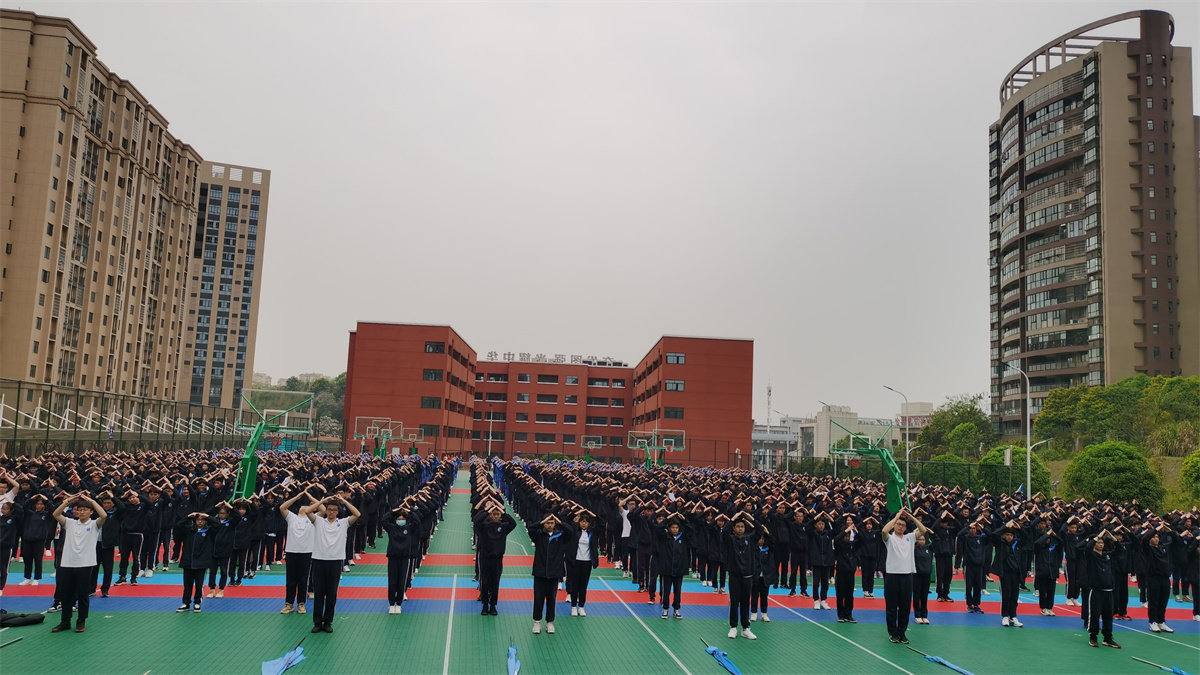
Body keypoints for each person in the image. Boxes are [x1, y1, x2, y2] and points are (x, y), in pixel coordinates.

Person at [51, 492, 106, 633]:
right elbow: (56, 514)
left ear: (91, 512)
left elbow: (104, 515)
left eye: (85, 509)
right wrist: (68, 501)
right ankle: (65, 621)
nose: (81, 512)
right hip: (67, 563)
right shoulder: (70, 523)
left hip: (85, 564)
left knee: (82, 594)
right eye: (79, 509)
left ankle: (81, 621)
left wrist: (91, 500)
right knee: (65, 594)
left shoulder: (94, 524)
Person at [307, 495, 360, 633]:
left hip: (335, 561)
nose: (331, 512)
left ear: (338, 511)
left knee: (332, 594)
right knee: (318, 594)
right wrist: (322, 501)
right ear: (326, 510)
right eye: (329, 509)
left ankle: (328, 621)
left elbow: (357, 514)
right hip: (319, 560)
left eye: (334, 510)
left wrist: (345, 502)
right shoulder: (319, 521)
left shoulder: (343, 523)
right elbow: (308, 511)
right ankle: (317, 622)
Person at [882, 508, 927, 644]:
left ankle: (902, 632)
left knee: (905, 607)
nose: (900, 527)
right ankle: (892, 633)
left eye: (903, 525)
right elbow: (884, 531)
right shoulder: (889, 539)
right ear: (894, 525)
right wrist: (896, 517)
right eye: (898, 524)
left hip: (907, 576)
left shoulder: (910, 537)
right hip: (892, 576)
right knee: (891, 607)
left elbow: (923, 530)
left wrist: (911, 517)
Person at [528, 512, 570, 634]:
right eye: (547, 523)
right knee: (538, 599)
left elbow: (571, 531)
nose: (550, 525)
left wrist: (560, 522)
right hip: (540, 572)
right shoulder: (539, 535)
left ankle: (550, 622)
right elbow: (531, 528)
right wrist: (541, 522)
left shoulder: (560, 536)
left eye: (552, 523)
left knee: (552, 599)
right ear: (544, 523)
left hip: (554, 573)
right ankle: (537, 622)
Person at [382, 500, 427, 614]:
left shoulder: (409, 528)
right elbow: (384, 520)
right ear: (396, 520)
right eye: (399, 519)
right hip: (393, 558)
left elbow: (417, 521)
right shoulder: (391, 528)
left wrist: (410, 511)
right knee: (392, 582)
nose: (400, 521)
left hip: (404, 558)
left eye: (403, 519)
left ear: (406, 520)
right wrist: (393, 511)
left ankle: (399, 603)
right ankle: (392, 604)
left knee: (401, 582)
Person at [722, 512, 760, 640]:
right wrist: (733, 518)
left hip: (748, 576)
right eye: (737, 526)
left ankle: (745, 628)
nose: (740, 529)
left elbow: (760, 530)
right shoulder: (730, 539)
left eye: (742, 527)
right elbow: (724, 532)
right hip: (734, 576)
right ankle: (733, 627)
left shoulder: (750, 539)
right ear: (734, 528)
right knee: (734, 602)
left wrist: (751, 519)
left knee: (745, 602)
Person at [1079, 530, 1121, 648]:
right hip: (1097, 590)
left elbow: (1120, 550)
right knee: (1094, 614)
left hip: (1109, 590)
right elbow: (1088, 547)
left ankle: (1108, 637)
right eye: (1099, 543)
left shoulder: (1107, 555)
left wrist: (1113, 538)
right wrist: (1098, 536)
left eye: (1102, 543)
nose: (1101, 544)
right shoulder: (1091, 555)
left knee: (1108, 615)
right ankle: (1093, 636)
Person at [280, 489, 316, 615]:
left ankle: (301, 604)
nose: (304, 507)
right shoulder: (292, 518)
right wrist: (296, 497)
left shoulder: (313, 519)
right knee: (290, 579)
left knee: (303, 579)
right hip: (291, 552)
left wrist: (311, 497)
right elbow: (282, 507)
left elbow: (322, 509)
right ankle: (288, 604)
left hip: (306, 552)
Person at [176, 512, 215, 613]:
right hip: (188, 562)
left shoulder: (209, 531)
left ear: (206, 521)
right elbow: (178, 525)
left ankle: (197, 602)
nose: (200, 521)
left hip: (201, 562)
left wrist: (208, 516)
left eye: (202, 519)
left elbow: (218, 525)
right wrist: (188, 516)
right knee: (187, 585)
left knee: (199, 584)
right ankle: (186, 603)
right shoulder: (189, 530)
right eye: (198, 520)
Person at [990, 520, 1026, 628]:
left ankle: (1013, 616)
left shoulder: (1017, 544)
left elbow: (1027, 538)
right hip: (1005, 573)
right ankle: (1005, 616)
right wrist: (1005, 526)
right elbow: (994, 534)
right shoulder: (1000, 543)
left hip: (1016, 573)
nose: (1009, 537)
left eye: (1011, 535)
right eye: (1007, 535)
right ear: (1004, 535)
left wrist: (1018, 528)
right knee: (1006, 595)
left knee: (1014, 596)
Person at [654, 512, 689, 620]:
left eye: (676, 527)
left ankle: (676, 609)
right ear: (669, 528)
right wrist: (667, 519)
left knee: (678, 590)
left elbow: (691, 530)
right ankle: (665, 609)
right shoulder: (665, 537)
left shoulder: (683, 538)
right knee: (666, 590)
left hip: (679, 568)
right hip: (667, 568)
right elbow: (658, 528)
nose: (674, 529)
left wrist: (684, 520)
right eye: (672, 527)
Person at [565, 511, 600, 617]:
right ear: (579, 522)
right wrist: (575, 512)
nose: (584, 524)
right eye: (582, 521)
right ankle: (573, 607)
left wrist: (592, 514)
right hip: (576, 561)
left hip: (587, 562)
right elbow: (566, 522)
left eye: (586, 522)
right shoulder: (574, 531)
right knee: (574, 586)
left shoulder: (592, 533)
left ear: (589, 523)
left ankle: (581, 607)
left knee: (583, 586)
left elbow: (601, 523)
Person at [1142, 527, 1174, 633]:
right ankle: (1153, 622)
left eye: (1157, 537)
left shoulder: (1163, 548)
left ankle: (1161, 621)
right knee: (1154, 600)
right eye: (1154, 537)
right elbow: (1144, 540)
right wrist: (1156, 529)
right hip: (1153, 578)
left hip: (1165, 578)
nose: (1156, 539)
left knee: (1163, 600)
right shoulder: (1148, 549)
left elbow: (1176, 540)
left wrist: (1169, 530)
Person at [833, 515, 861, 624]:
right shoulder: (839, 545)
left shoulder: (853, 545)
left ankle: (849, 614)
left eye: (849, 536)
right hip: (840, 572)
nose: (847, 537)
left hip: (850, 573)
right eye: (846, 535)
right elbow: (836, 539)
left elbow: (862, 540)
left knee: (849, 594)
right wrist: (846, 530)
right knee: (840, 594)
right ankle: (841, 614)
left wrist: (856, 531)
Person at [958, 521, 988, 614]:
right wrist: (968, 527)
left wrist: (982, 528)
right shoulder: (966, 538)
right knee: (969, 586)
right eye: (971, 528)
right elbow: (959, 535)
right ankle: (969, 605)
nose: (973, 530)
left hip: (979, 566)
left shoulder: (981, 538)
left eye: (975, 528)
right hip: (969, 565)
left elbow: (992, 536)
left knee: (978, 586)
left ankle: (976, 604)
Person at [1033, 521, 1062, 616]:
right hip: (1042, 572)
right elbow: (1037, 543)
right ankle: (1043, 608)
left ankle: (1050, 607)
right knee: (1043, 591)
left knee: (1051, 591)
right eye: (1046, 538)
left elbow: (1062, 543)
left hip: (1052, 572)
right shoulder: (1040, 548)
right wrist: (1046, 535)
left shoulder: (1054, 548)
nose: (1048, 540)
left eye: (1049, 538)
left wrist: (1054, 535)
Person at [808, 515, 834, 610]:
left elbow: (836, 529)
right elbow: (807, 526)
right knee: (815, 582)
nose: (821, 526)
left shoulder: (828, 534)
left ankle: (823, 600)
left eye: (823, 524)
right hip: (816, 561)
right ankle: (816, 600)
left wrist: (830, 519)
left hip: (826, 561)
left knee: (825, 583)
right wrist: (815, 518)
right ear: (815, 525)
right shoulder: (813, 534)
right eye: (819, 524)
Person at [913, 532, 933, 624]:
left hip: (926, 575)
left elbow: (936, 541)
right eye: (920, 539)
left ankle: (924, 615)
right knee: (917, 596)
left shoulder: (929, 548)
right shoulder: (914, 549)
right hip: (917, 575)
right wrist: (915, 532)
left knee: (924, 596)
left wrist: (930, 531)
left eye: (923, 539)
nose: (921, 541)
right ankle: (917, 615)